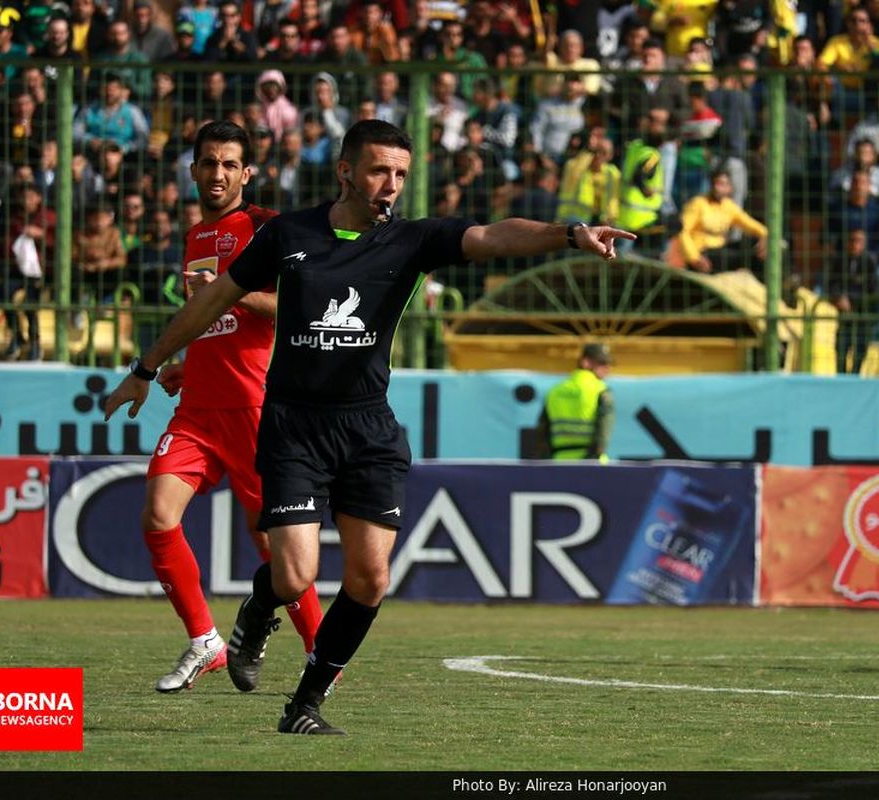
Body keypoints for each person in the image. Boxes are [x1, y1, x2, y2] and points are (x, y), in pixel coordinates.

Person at [103, 119, 634, 734]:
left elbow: (493, 236)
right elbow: (214, 299)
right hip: (294, 424)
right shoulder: (287, 233)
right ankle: (256, 610)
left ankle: (304, 705)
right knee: (294, 574)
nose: (391, 185)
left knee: (370, 577)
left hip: (368, 427)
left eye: (401, 174)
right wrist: (147, 367)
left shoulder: (413, 240)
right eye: (380, 170)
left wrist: (569, 233)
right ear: (346, 171)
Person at [141, 121, 323, 694]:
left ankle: (324, 653)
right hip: (198, 407)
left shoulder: (266, 228)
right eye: (207, 163)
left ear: (247, 173)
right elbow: (213, 321)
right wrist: (186, 365)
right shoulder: (196, 236)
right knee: (157, 515)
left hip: (254, 407)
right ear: (193, 171)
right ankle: (205, 642)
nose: (217, 174)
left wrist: (234, 287)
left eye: (229, 165)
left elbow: (300, 301)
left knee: (275, 544)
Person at [536, 343, 615, 461]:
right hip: (593, 466)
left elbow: (542, 433)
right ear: (586, 362)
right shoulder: (602, 390)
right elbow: (602, 435)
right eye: (602, 363)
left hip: (559, 463)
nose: (608, 368)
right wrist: (590, 461)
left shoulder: (554, 392)